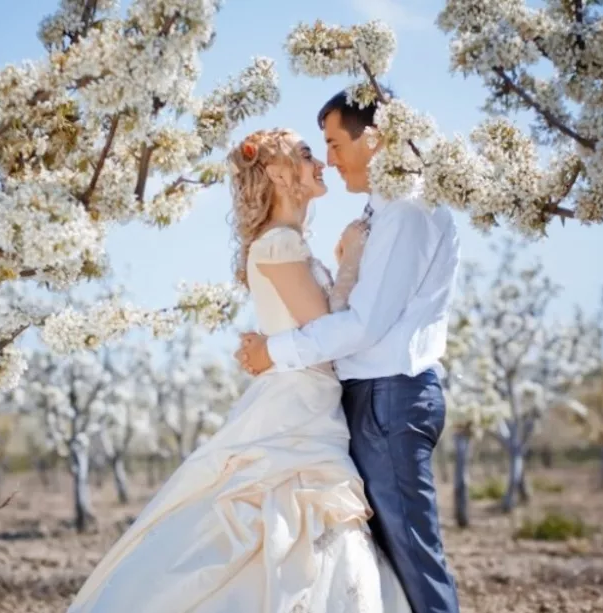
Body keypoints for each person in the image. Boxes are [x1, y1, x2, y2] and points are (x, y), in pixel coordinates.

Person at [67, 128, 411, 612]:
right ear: (275, 172)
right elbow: (327, 335)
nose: (322, 165)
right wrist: (351, 263)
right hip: (296, 412)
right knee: (294, 516)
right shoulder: (277, 245)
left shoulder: (288, 244)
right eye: (308, 155)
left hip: (310, 405)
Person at [235, 89, 461, 613]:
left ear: (375, 138)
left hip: (389, 398)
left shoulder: (404, 210)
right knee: (388, 564)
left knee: (414, 559)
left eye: (334, 144)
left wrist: (276, 351)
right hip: (370, 400)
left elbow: (363, 325)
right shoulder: (381, 210)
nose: (330, 160)